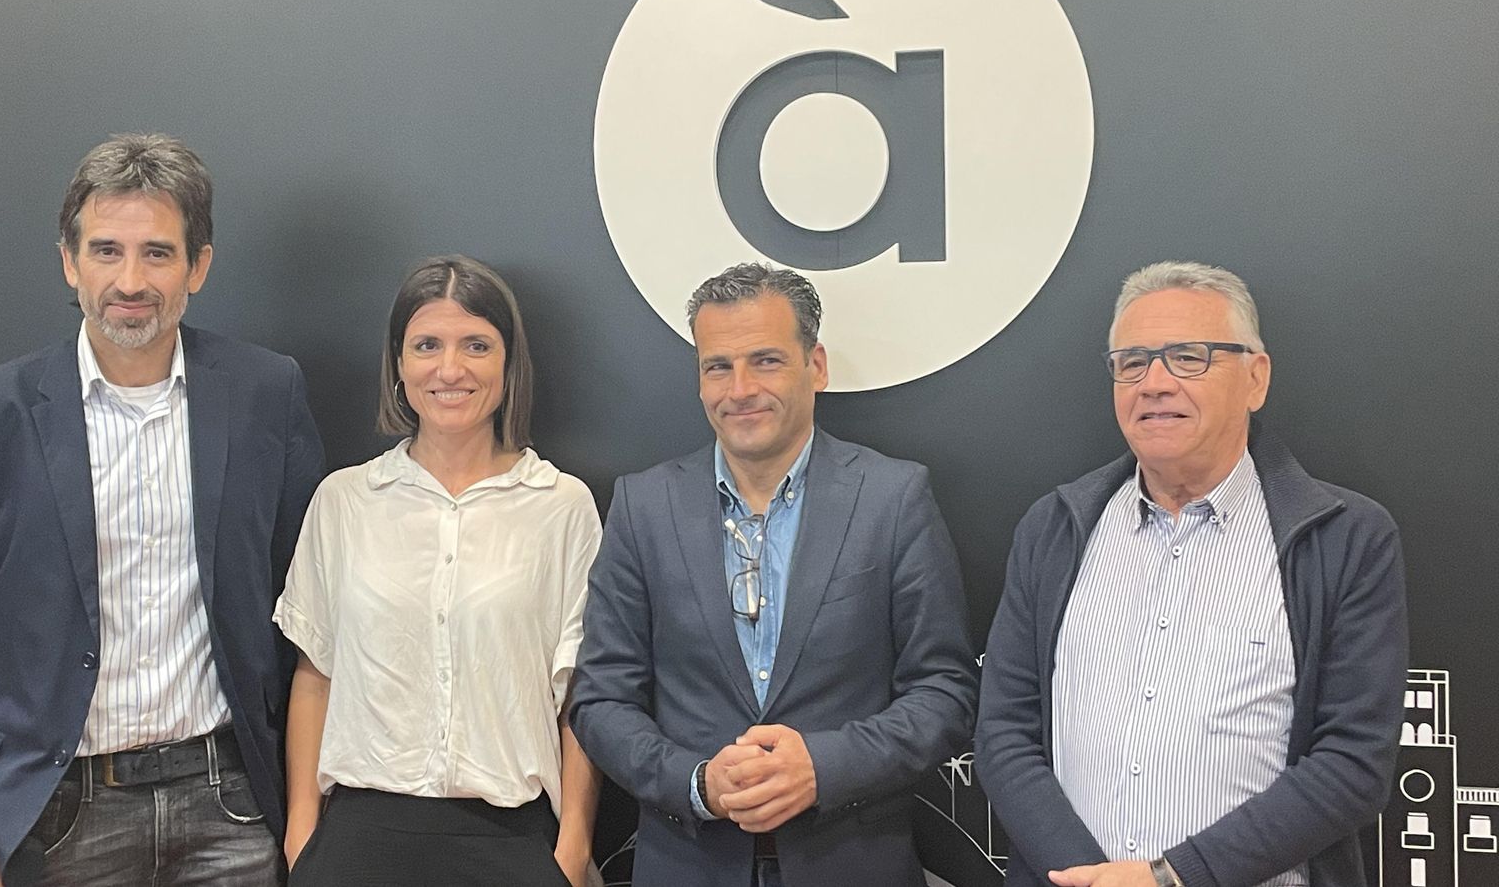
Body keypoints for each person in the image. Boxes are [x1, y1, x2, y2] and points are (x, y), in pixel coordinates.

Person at [0, 133, 326, 886]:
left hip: (231, 809)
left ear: (199, 265)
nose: (131, 280)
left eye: (158, 253)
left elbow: (310, 616)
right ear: (70, 261)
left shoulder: (267, 395)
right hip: (55, 820)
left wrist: (300, 813)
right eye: (106, 250)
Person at [975, 261, 1408, 887]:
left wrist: (1173, 877)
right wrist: (1090, 877)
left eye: (1189, 358)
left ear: (1256, 378)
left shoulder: (1346, 538)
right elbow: (1004, 731)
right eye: (1132, 362)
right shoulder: (1054, 528)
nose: (1154, 383)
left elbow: (1351, 765)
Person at [569, 262, 977, 887]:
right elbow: (600, 700)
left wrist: (823, 767)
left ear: (815, 365)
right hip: (687, 865)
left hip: (853, 864)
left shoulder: (893, 498)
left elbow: (945, 691)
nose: (740, 389)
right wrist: (698, 782)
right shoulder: (644, 506)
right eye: (718, 366)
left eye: (765, 360)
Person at [276, 255, 602, 886]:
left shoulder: (563, 506)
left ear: (508, 364)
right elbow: (314, 674)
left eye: (476, 345)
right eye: (427, 345)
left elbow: (579, 697)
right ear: (398, 364)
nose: (450, 369)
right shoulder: (345, 500)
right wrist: (302, 835)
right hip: (357, 843)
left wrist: (571, 847)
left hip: (512, 841)